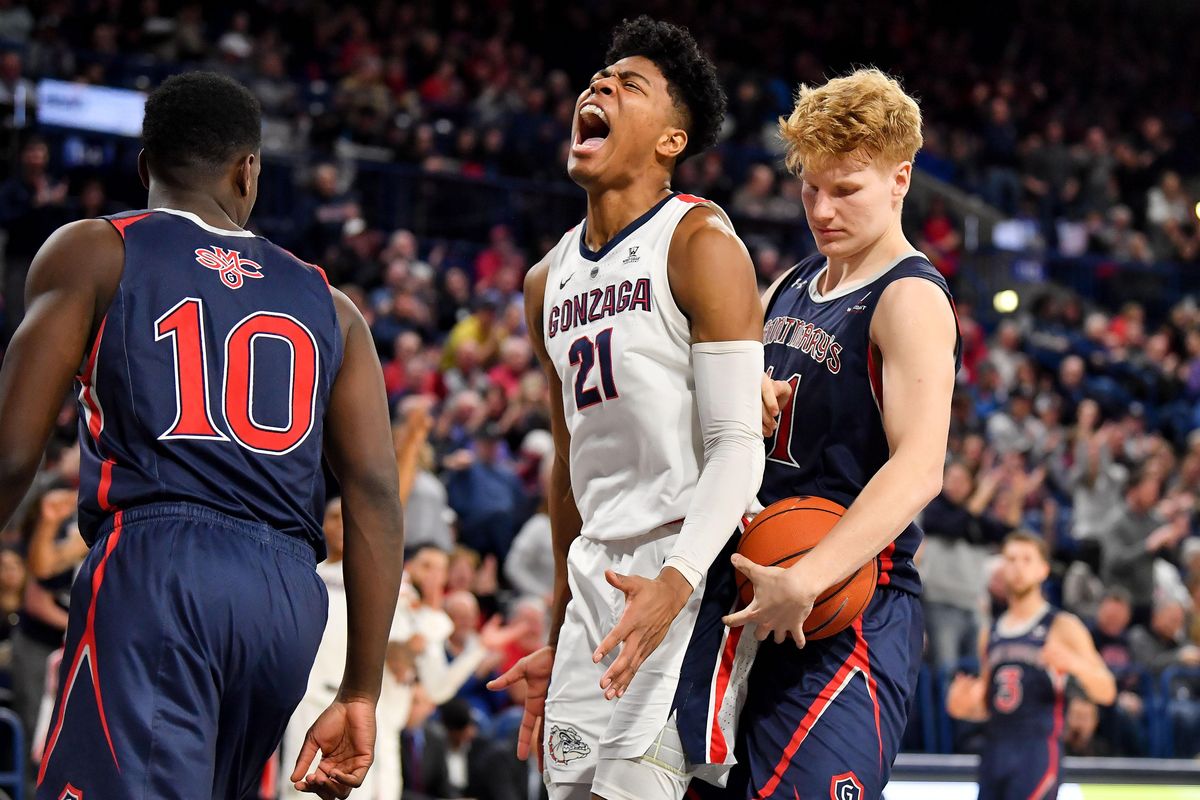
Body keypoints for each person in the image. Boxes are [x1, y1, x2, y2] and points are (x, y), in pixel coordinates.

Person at [0, 72, 405, 799]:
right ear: (247, 170)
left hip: (160, 566)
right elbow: (375, 492)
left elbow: (10, 453)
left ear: (143, 164)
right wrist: (360, 691)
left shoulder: (96, 249)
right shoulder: (332, 303)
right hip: (286, 598)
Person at [488, 16, 765, 800]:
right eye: (598, 79)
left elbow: (740, 443)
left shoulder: (699, 241)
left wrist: (676, 585)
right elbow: (569, 466)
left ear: (671, 140)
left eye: (628, 84)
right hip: (594, 582)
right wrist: (558, 625)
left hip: (689, 564)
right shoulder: (546, 280)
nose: (599, 86)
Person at [717, 69, 960, 799]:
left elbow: (921, 468)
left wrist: (809, 576)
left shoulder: (908, 296)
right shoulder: (792, 283)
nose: (822, 209)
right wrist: (740, 386)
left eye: (846, 189)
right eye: (810, 187)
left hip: (849, 604)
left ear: (900, 180)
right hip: (764, 594)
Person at [947, 532, 1116, 799]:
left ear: (1043, 570)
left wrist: (1074, 664)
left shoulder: (1061, 626)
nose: (1018, 567)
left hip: (1036, 753)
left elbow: (1106, 691)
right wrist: (964, 705)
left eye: (1027, 559)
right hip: (993, 753)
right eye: (1011, 559)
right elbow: (993, 703)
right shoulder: (990, 633)